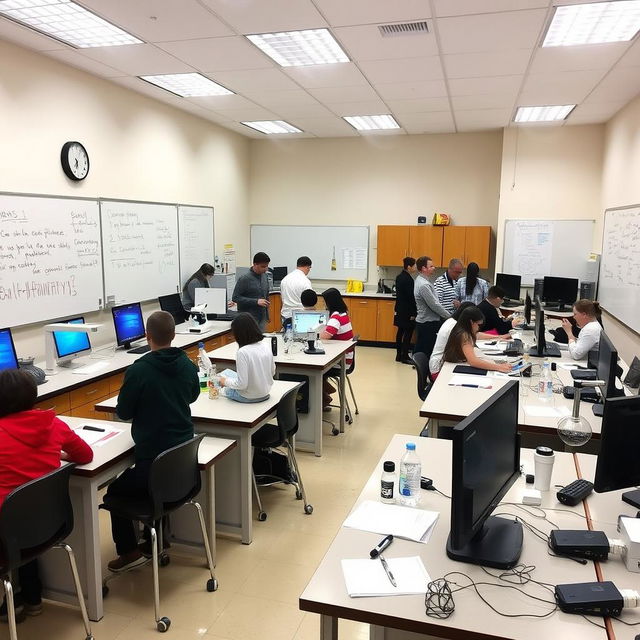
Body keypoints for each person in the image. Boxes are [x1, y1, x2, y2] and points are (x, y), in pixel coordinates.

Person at [105, 310, 200, 572]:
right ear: (173, 334)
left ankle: (129, 551)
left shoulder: (139, 370)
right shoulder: (187, 364)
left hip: (152, 461)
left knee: (115, 490)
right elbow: (192, 396)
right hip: (182, 463)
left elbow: (123, 412)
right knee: (154, 485)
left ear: (147, 337)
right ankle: (154, 539)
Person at [0, 369, 93, 621]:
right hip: (50, 526)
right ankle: (31, 598)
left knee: (13, 516)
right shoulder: (53, 423)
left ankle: (11, 603)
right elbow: (85, 455)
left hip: (10, 533)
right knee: (21, 512)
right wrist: (60, 455)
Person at [429, 302, 511, 377]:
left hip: (447, 363)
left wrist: (499, 337)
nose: (479, 328)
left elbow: (475, 335)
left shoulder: (458, 326)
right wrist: (499, 367)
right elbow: (473, 361)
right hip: (439, 369)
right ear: (471, 322)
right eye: (479, 325)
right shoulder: (461, 333)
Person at [218, 313, 275, 403]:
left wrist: (224, 382)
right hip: (265, 392)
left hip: (248, 396)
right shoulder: (265, 345)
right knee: (225, 373)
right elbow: (272, 371)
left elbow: (242, 385)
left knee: (219, 384)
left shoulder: (243, 352)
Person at [319, 288, 354, 409]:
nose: (323, 304)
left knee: (312, 371)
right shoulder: (343, 314)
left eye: (324, 302)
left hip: (340, 362)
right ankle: (326, 391)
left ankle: (323, 398)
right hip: (347, 358)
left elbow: (324, 337)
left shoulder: (335, 318)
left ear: (330, 302)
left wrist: (311, 333)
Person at [413, 256, 451, 358]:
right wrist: (450, 317)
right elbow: (434, 305)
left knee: (422, 347)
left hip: (426, 321)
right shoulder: (424, 285)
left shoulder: (422, 280)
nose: (434, 268)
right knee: (427, 350)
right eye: (431, 266)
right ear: (424, 268)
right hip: (428, 323)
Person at [232, 252, 271, 331]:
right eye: (263, 266)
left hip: (262, 318)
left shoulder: (264, 276)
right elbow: (235, 297)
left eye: (267, 266)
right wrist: (256, 301)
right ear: (255, 264)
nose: (266, 269)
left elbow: (265, 296)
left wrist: (267, 316)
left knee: (261, 341)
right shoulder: (244, 279)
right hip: (248, 320)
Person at [394, 257, 417, 364]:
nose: (415, 268)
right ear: (409, 267)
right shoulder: (408, 279)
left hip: (399, 309)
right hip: (407, 310)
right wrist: (414, 312)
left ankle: (399, 354)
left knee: (400, 331)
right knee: (408, 333)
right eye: (414, 266)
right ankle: (405, 356)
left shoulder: (399, 277)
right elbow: (410, 297)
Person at [280, 256, 312, 324]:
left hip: (286, 315)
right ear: (307, 267)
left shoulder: (285, 279)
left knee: (287, 334)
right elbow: (309, 302)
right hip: (300, 317)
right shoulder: (305, 281)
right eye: (309, 268)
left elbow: (282, 298)